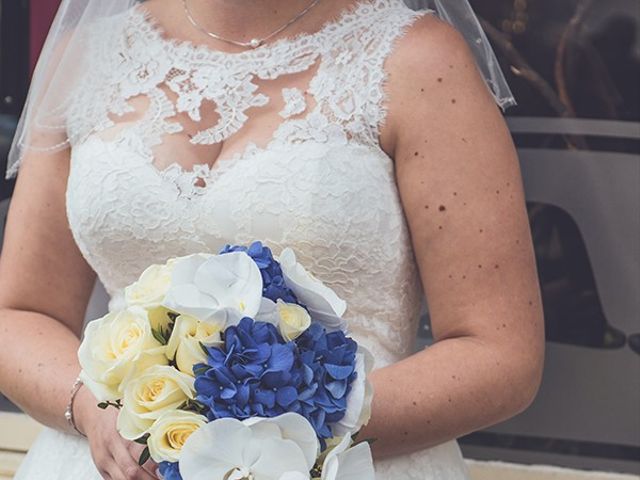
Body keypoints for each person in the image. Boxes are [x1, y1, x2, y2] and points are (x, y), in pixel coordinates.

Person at [0, 0, 544, 479]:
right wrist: (98, 410)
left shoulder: (418, 62)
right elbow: (19, 313)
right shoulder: (84, 60)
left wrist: (286, 439)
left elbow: (500, 352)